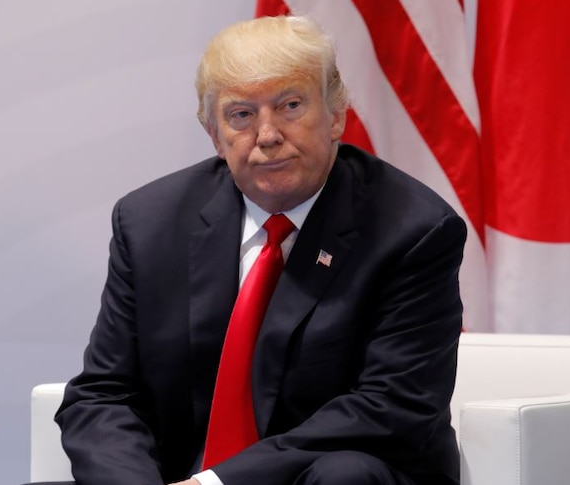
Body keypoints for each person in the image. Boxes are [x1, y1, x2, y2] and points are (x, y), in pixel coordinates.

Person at [54, 15, 463, 485]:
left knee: (345, 475)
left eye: (290, 106)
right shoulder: (149, 223)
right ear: (214, 134)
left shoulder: (412, 230)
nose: (267, 136)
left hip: (339, 473)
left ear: (336, 116)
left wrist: (216, 483)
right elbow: (105, 394)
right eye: (241, 115)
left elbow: (389, 407)